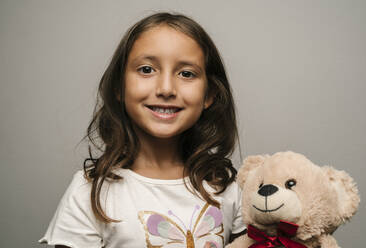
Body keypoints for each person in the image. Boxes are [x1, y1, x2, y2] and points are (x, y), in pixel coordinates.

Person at [39, 12, 246, 248]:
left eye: (186, 73)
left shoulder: (228, 187)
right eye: (147, 69)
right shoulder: (89, 193)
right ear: (119, 86)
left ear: (209, 94)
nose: (166, 89)